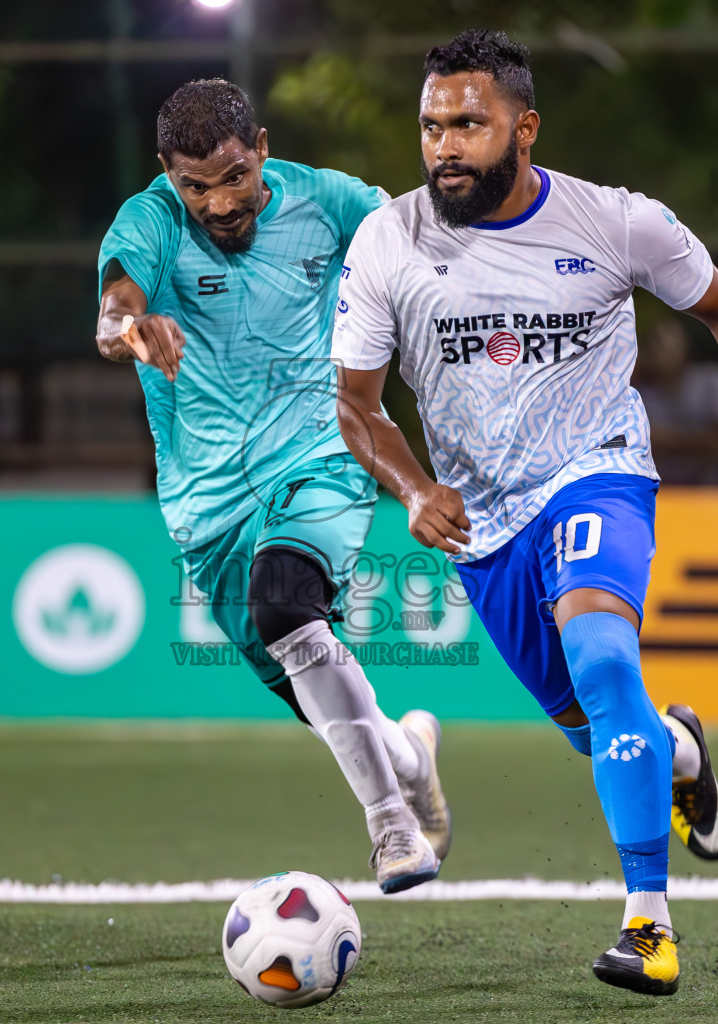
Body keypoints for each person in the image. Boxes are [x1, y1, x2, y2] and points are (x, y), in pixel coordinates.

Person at [333, 31, 718, 996]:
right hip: (483, 526)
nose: (445, 145)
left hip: (596, 474)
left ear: (523, 129)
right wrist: (411, 488)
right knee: (595, 727)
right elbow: (357, 404)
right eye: (432, 126)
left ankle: (649, 925)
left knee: (606, 666)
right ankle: (681, 748)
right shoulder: (386, 241)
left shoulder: (615, 223)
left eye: (469, 124)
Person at [95, 79, 450, 894]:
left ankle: (392, 830)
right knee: (318, 695)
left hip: (321, 451)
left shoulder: (330, 202)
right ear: (166, 172)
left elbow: (428, 249)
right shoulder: (148, 221)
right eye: (195, 185)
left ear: (260, 146)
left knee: (286, 601)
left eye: (232, 176)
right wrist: (131, 329)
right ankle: (410, 756)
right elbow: (115, 310)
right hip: (206, 508)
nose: (218, 202)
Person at [633, 318, 718, 484]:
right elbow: (630, 447)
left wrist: (666, 440)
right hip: (657, 489)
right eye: (652, 342)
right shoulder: (639, 391)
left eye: (662, 342)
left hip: (709, 488)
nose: (655, 349)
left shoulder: (713, 382)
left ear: (686, 345)